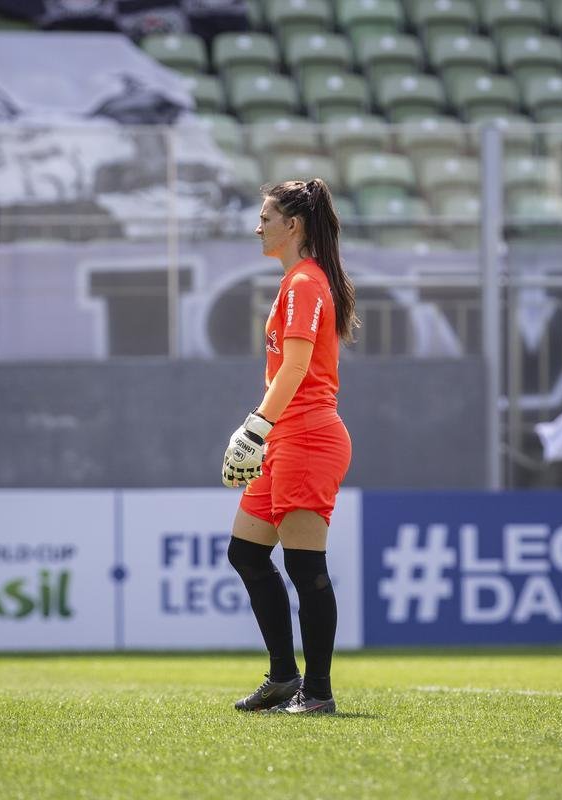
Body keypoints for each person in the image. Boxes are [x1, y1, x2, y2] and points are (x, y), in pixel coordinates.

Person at [222, 178, 359, 715]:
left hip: (307, 437)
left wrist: (256, 426)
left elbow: (297, 367)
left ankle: (317, 692)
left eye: (265, 218)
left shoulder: (305, 282)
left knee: (305, 567)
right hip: (287, 436)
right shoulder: (300, 281)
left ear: (293, 225)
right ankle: (283, 678)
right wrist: (264, 431)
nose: (257, 227)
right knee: (246, 552)